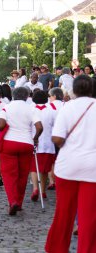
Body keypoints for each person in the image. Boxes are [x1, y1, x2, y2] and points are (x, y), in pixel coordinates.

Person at [45, 75, 96, 253]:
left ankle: (57, 249)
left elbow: (57, 138)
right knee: (89, 218)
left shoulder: (67, 107)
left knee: (64, 213)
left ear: (74, 89)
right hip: (92, 169)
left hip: (68, 168)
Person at [0, 87, 43, 215]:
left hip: (9, 143)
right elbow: (39, 127)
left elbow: (0, 125)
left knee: (9, 175)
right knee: (22, 175)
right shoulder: (31, 108)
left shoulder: (7, 107)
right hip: (26, 143)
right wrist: (35, 138)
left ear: (13, 95)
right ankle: (19, 203)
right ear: (27, 96)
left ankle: (13, 201)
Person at [30, 90, 56, 202]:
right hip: (48, 143)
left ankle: (35, 188)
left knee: (33, 168)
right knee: (44, 169)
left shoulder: (31, 109)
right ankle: (43, 191)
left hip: (33, 141)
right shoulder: (52, 110)